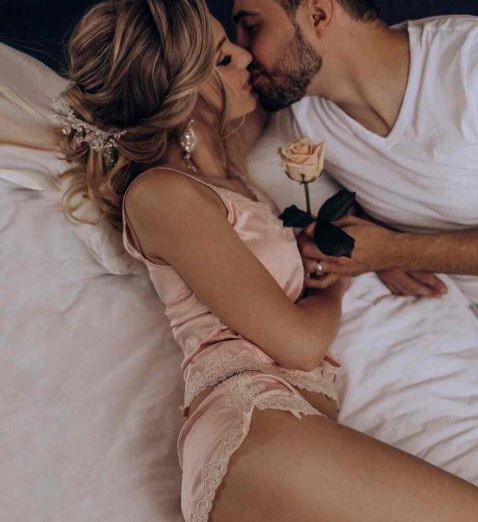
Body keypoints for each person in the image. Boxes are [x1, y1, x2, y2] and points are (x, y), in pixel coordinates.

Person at [55, 1, 478, 521]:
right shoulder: (161, 194)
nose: (244, 55)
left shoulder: (232, 178)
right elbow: (299, 345)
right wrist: (337, 280)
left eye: (244, 33)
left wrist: (367, 247)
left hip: (294, 430)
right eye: (223, 56)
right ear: (182, 90)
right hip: (254, 423)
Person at [232, 0, 478, 302]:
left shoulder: (467, 62)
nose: (242, 53)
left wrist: (393, 251)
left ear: (318, 15)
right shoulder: (304, 114)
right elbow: (226, 130)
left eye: (252, 27)